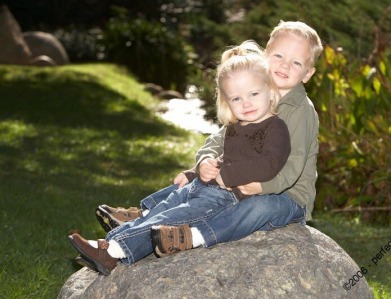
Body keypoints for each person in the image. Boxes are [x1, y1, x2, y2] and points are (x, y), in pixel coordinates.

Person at [68, 40, 292, 275]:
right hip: (201, 187)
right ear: (227, 101)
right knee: (158, 210)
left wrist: (228, 175)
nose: (245, 103)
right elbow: (225, 159)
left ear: (270, 90)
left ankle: (114, 252)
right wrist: (199, 170)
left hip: (224, 199)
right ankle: (108, 244)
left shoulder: (274, 128)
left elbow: (270, 164)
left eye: (253, 94)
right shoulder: (236, 127)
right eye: (236, 99)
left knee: (169, 219)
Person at [150, 20, 323, 256]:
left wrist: (262, 187)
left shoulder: (301, 111)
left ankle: (197, 235)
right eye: (279, 56)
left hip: (286, 195)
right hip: (243, 178)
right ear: (264, 56)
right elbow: (222, 137)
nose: (285, 66)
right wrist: (203, 162)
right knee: (195, 183)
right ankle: (145, 215)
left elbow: (293, 167)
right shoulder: (253, 94)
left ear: (308, 73)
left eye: (296, 62)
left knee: (258, 206)